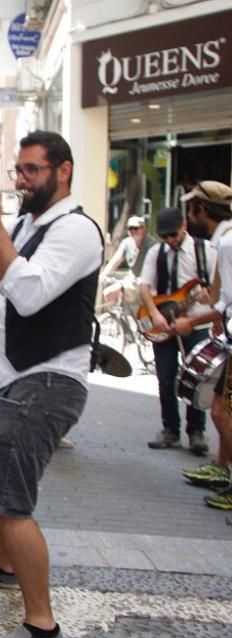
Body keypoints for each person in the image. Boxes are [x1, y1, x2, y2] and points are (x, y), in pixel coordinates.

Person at [0, 131, 102, 638]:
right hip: (9, 377)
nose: (20, 180)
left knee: (12, 503)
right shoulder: (23, 224)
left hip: (48, 379)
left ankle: (41, 626)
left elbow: (32, 295)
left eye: (32, 170)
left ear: (64, 171)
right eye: (18, 170)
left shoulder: (77, 230)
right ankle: (6, 567)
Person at [168, 181, 232, 509]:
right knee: (221, 405)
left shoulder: (227, 243)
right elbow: (220, 296)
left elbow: (225, 305)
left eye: (191, 209)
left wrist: (189, 322)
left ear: (201, 210)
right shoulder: (224, 240)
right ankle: (222, 467)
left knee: (222, 411)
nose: (188, 216)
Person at [138, 207, 215, 455]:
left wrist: (208, 296)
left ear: (184, 225)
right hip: (164, 323)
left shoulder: (205, 251)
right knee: (166, 378)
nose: (170, 240)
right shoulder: (156, 252)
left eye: (173, 234)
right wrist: (155, 313)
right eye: (165, 236)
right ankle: (170, 429)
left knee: (197, 378)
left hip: (196, 322)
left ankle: (197, 432)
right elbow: (144, 286)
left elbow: (220, 288)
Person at [101, 215, 150, 309]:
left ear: (143, 229)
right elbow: (115, 260)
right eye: (130, 228)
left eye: (136, 228)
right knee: (109, 293)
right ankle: (118, 318)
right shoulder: (127, 243)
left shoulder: (150, 245)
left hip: (146, 284)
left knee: (113, 292)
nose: (132, 231)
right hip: (131, 281)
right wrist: (105, 274)